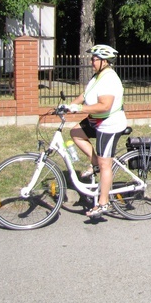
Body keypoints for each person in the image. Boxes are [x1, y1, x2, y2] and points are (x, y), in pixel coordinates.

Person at [64, 44, 127, 218]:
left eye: (95, 59)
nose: (92, 61)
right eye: (92, 58)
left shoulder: (109, 79)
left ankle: (103, 203)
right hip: (97, 121)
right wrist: (69, 106)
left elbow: (104, 105)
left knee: (105, 164)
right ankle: (95, 163)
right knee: (75, 133)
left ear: (104, 61)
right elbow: (85, 95)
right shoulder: (97, 76)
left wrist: (80, 109)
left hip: (109, 124)